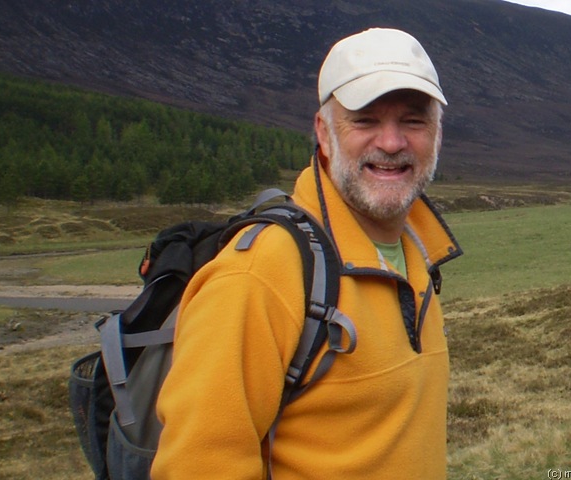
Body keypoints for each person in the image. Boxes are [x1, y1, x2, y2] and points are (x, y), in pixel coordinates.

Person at [151, 27, 462, 479]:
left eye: (414, 121)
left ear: (438, 133)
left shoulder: (416, 253)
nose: (392, 143)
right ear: (324, 132)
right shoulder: (258, 274)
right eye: (365, 121)